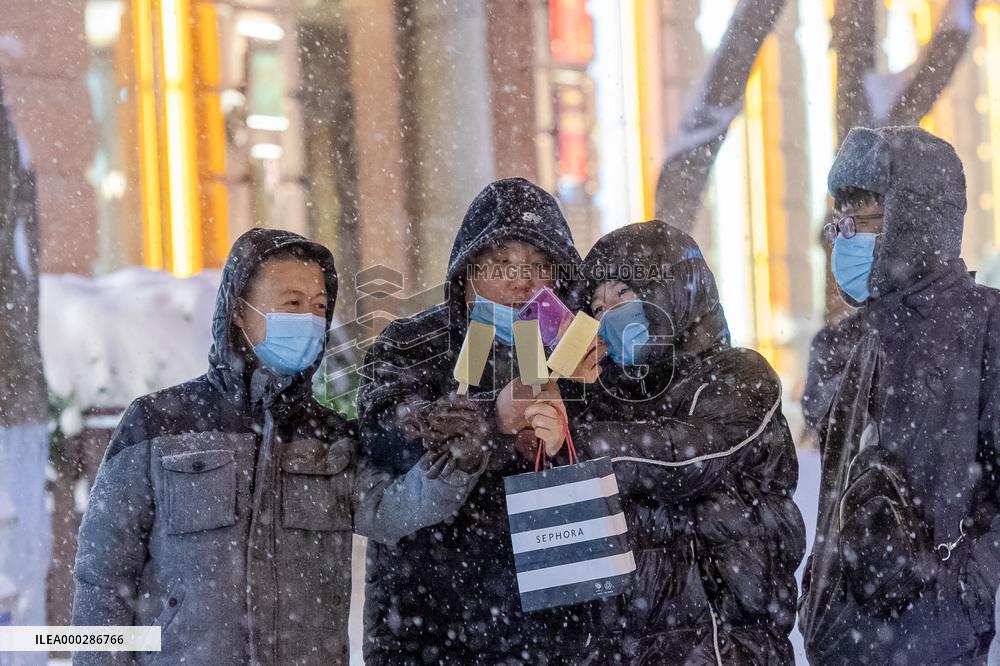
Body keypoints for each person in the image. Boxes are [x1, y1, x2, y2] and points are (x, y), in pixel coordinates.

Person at [72, 228, 486, 665]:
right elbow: (103, 576)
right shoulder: (157, 424)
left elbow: (395, 509)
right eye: (292, 303)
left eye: (319, 307)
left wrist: (459, 460)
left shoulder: (332, 437)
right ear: (238, 311)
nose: (308, 319)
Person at [357, 177, 601, 664]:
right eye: (502, 263)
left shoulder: (577, 357)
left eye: (538, 266)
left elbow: (616, 465)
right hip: (425, 621)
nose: (522, 281)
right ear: (466, 271)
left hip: (550, 629)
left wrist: (568, 436)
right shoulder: (410, 343)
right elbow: (385, 439)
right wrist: (493, 419)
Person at [799, 126, 1000, 664]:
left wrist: (959, 600)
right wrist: (820, 598)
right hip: (852, 647)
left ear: (914, 220)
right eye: (839, 223)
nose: (845, 240)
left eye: (862, 222)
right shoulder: (866, 342)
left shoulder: (986, 326)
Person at [564, 220, 804, 664]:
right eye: (596, 307)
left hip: (727, 647)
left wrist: (577, 441)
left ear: (673, 290)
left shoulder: (740, 375)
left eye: (623, 294)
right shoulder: (605, 402)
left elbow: (691, 455)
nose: (609, 314)